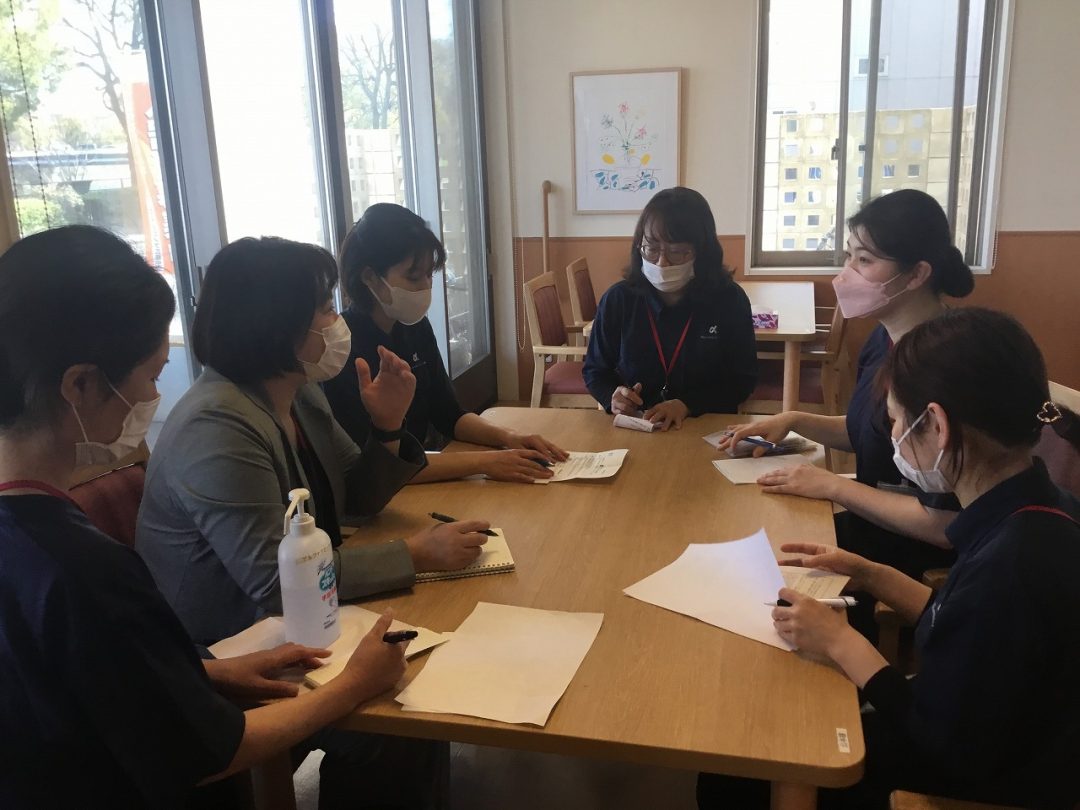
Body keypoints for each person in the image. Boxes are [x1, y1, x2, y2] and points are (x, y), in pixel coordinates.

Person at [0, 226, 409, 808]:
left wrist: (207, 671)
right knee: (390, 719)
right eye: (149, 378)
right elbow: (210, 750)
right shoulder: (82, 568)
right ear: (82, 384)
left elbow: (93, 672)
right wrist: (353, 685)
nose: (154, 399)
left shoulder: (38, 537)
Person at [700, 308, 1080, 809]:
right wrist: (869, 573)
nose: (893, 433)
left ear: (937, 425)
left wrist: (839, 642)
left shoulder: (1013, 565)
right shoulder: (1031, 507)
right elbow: (959, 622)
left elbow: (939, 739)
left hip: (975, 777)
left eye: (896, 420)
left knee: (735, 773)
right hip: (994, 731)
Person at [136, 236, 490, 645]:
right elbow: (275, 582)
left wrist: (388, 425)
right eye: (325, 309)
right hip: (227, 645)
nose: (337, 321)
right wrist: (416, 553)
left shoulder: (298, 390)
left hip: (302, 617)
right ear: (278, 325)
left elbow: (358, 498)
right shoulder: (216, 427)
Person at [721, 189, 975, 581]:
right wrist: (794, 420)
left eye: (865, 260)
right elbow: (871, 431)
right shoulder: (884, 338)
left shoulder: (948, 365)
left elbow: (944, 525)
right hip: (871, 527)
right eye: (848, 256)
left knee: (764, 570)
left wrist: (833, 486)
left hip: (906, 560)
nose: (845, 274)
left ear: (917, 274)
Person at [324, 203, 568, 484]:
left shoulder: (414, 326)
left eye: (430, 274)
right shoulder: (342, 350)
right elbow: (380, 466)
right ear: (370, 277)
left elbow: (449, 414)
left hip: (425, 471)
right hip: (385, 489)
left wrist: (510, 438)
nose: (426, 286)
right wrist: (486, 462)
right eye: (413, 277)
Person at [583, 187, 757, 430]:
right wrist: (613, 396)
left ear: (702, 251)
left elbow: (743, 380)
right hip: (639, 426)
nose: (661, 262)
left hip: (705, 426)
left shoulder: (729, 300)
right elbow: (595, 370)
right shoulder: (618, 299)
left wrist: (687, 405)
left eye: (676, 252)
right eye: (651, 248)